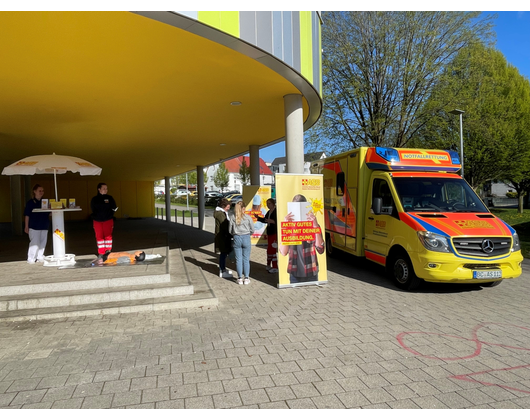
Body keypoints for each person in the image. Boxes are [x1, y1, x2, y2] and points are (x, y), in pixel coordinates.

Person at [279, 194, 325, 283]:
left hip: (311, 273)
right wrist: (286, 227)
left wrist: (315, 225)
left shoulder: (312, 226)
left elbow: (320, 249)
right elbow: (284, 252)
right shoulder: (289, 227)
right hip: (294, 274)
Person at [229, 200, 255, 285]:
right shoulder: (248, 217)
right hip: (246, 237)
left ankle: (239, 278)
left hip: (236, 237)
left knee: (238, 259)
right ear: (243, 208)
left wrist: (235, 234)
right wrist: (247, 233)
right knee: (246, 259)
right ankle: (246, 278)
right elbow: (252, 230)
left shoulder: (232, 217)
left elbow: (230, 230)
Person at [23, 184, 50, 264]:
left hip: (44, 225)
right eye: (39, 191)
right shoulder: (30, 203)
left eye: (42, 191)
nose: (41, 192)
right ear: (34, 191)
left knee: (42, 242)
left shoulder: (45, 202)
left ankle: (40, 256)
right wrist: (26, 226)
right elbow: (27, 215)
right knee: (34, 243)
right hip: (34, 226)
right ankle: (31, 258)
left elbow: (49, 213)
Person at [90, 182, 117, 258]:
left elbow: (114, 207)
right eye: (104, 188)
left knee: (108, 236)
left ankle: (108, 251)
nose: (106, 190)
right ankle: (101, 252)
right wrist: (96, 215)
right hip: (97, 220)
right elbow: (93, 208)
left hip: (108, 220)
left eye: (106, 189)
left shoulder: (110, 198)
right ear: (99, 189)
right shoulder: (94, 199)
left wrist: (110, 214)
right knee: (99, 236)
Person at [257, 198, 278, 273]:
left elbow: (277, 221)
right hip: (269, 232)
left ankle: (275, 266)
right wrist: (258, 218)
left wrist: (272, 221)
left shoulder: (276, 211)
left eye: (269, 203)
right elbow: (265, 220)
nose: (268, 205)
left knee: (272, 249)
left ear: (273, 204)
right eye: (267, 204)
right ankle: (268, 264)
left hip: (274, 233)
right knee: (269, 249)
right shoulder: (269, 212)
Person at [214, 198, 233, 278]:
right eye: (227, 207)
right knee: (223, 253)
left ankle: (223, 269)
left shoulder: (222, 213)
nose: (228, 209)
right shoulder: (221, 214)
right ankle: (222, 270)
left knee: (224, 253)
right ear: (223, 206)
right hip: (223, 236)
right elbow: (225, 225)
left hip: (222, 236)